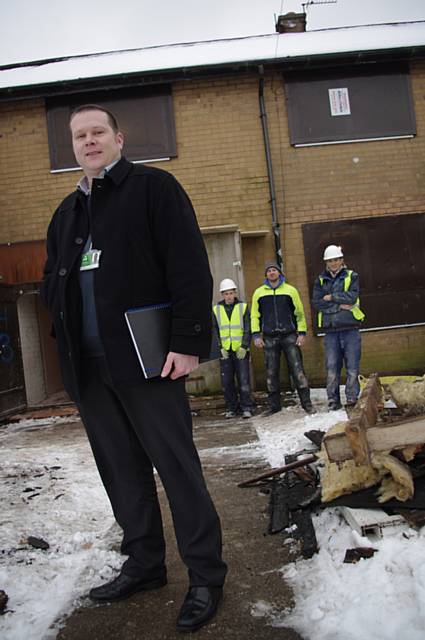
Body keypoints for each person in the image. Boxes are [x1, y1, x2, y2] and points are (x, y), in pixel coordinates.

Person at [40, 104, 226, 633]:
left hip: (150, 365)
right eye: (79, 135)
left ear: (118, 138)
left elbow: (188, 266)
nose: (89, 141)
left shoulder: (154, 189)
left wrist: (188, 342)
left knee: (177, 469)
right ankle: (144, 565)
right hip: (92, 372)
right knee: (121, 473)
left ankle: (207, 576)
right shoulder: (66, 213)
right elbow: (57, 287)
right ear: (72, 147)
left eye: (98, 132)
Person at [251, 262, 315, 415]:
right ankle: (274, 406)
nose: (272, 273)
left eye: (274, 270)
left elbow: (299, 313)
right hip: (269, 338)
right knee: (271, 372)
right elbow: (255, 315)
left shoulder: (290, 290)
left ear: (279, 273)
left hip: (290, 336)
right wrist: (256, 335)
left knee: (298, 369)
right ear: (266, 275)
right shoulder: (259, 293)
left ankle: (307, 404)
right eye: (269, 271)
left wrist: (302, 333)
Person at [312, 244, 365, 411]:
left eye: (336, 260)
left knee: (352, 367)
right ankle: (333, 402)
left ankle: (351, 399)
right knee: (332, 368)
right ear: (326, 263)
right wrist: (339, 306)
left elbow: (351, 297)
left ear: (342, 260)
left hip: (350, 328)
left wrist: (332, 297)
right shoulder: (320, 280)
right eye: (330, 261)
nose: (333, 263)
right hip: (331, 331)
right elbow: (318, 302)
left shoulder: (352, 276)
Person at [213, 278, 253, 419]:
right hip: (225, 352)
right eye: (226, 294)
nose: (229, 296)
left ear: (235, 293)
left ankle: (246, 407)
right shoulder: (216, 309)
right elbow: (214, 330)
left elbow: (248, 327)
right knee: (227, 382)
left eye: (231, 293)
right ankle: (231, 408)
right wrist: (219, 348)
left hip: (240, 350)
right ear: (222, 295)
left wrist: (244, 345)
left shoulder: (243, 307)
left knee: (243, 380)